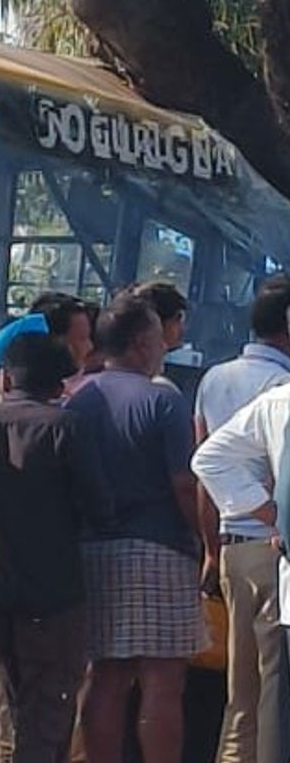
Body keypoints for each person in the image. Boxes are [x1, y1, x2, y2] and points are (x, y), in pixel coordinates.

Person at [66, 294, 203, 763]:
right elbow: (184, 484)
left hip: (92, 548)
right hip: (159, 548)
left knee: (105, 675)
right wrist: (203, 539)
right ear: (144, 343)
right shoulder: (163, 399)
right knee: (163, 679)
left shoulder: (79, 399)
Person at [0, 333, 113, 763]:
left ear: (7, 377)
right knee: (50, 705)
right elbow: (99, 506)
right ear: (59, 384)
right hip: (55, 593)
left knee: (11, 700)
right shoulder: (67, 427)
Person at [190, 274, 290, 763]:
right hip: (273, 547)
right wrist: (275, 514)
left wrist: (209, 547)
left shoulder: (214, 377)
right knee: (276, 684)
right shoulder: (282, 388)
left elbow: (204, 459)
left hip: (231, 545)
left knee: (241, 687)